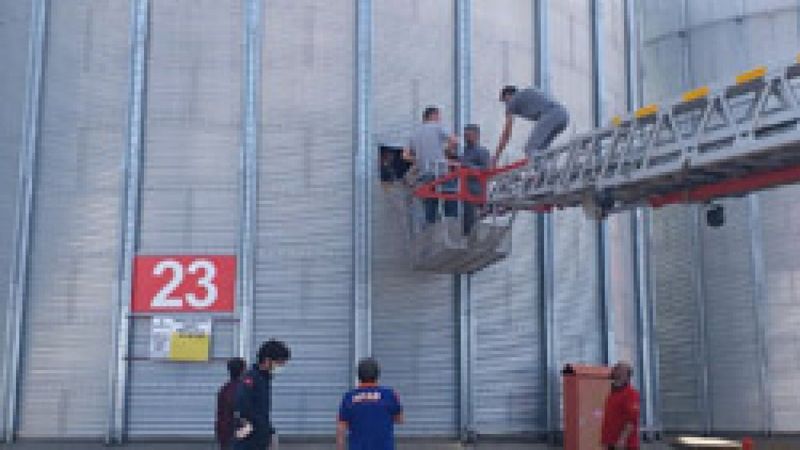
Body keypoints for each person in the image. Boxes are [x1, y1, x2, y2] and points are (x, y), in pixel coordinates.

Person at [404, 106, 459, 224]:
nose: (440, 119)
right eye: (439, 116)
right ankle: (451, 225)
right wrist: (445, 152)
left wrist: (419, 159)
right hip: (441, 172)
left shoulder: (414, 134)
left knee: (430, 203)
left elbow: (405, 156)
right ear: (433, 115)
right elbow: (454, 140)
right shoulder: (437, 127)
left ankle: (430, 230)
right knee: (450, 196)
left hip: (425, 174)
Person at [234, 339, 291, 450]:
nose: (280, 367)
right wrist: (255, 428)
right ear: (267, 360)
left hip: (260, 439)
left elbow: (261, 411)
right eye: (279, 363)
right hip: (249, 442)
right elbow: (242, 408)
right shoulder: (251, 379)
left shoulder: (263, 379)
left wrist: (269, 431)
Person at [337, 358, 404, 450]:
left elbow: (341, 428)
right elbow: (399, 420)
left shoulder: (349, 397)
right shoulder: (389, 395)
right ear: (377, 375)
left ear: (359, 376)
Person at [494, 85, 569, 164]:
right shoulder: (527, 93)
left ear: (508, 95)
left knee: (529, 148)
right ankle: (544, 171)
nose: (506, 105)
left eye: (505, 101)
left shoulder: (513, 100)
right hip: (563, 116)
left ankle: (540, 174)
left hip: (551, 114)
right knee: (541, 150)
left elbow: (506, 134)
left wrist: (496, 157)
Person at [601, 362, 641, 450]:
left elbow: (631, 421)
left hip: (625, 445)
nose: (615, 370)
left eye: (619, 369)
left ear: (627, 376)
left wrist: (622, 440)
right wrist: (605, 442)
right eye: (616, 368)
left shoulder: (631, 394)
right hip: (611, 443)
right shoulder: (612, 394)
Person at [460, 124, 491, 235]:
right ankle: (467, 237)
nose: (466, 138)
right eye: (465, 135)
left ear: (477, 136)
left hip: (477, 190)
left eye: (469, 135)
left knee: (474, 219)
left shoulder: (482, 151)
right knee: (467, 218)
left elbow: (487, 170)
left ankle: (472, 239)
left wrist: (469, 167)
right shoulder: (464, 152)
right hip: (465, 190)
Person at [216, 357, 246, 450]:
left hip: (225, 433)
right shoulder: (245, 389)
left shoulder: (224, 389)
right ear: (242, 371)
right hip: (239, 434)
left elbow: (220, 413)